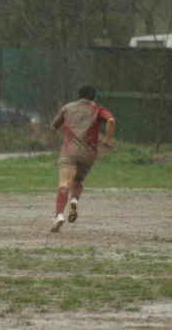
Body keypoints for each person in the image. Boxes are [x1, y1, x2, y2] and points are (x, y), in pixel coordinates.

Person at [49, 85, 115, 233]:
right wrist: (108, 140)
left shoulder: (67, 108)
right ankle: (74, 200)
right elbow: (110, 120)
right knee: (77, 181)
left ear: (78, 96)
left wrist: (64, 132)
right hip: (88, 154)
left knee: (64, 182)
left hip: (70, 152)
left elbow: (53, 127)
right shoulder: (98, 110)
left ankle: (58, 215)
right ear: (94, 98)